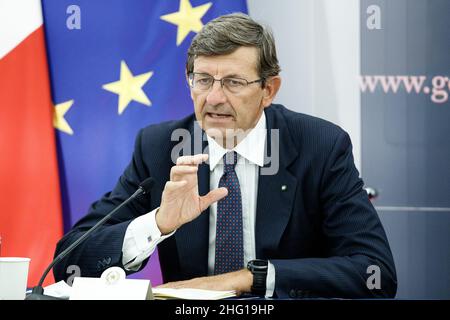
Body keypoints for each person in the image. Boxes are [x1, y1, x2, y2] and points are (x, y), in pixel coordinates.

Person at [53, 13, 397, 298]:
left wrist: (249, 278)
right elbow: (70, 263)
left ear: (268, 90)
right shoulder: (161, 147)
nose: (214, 98)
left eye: (233, 82)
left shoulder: (319, 146)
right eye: (203, 80)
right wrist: (158, 223)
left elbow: (374, 272)